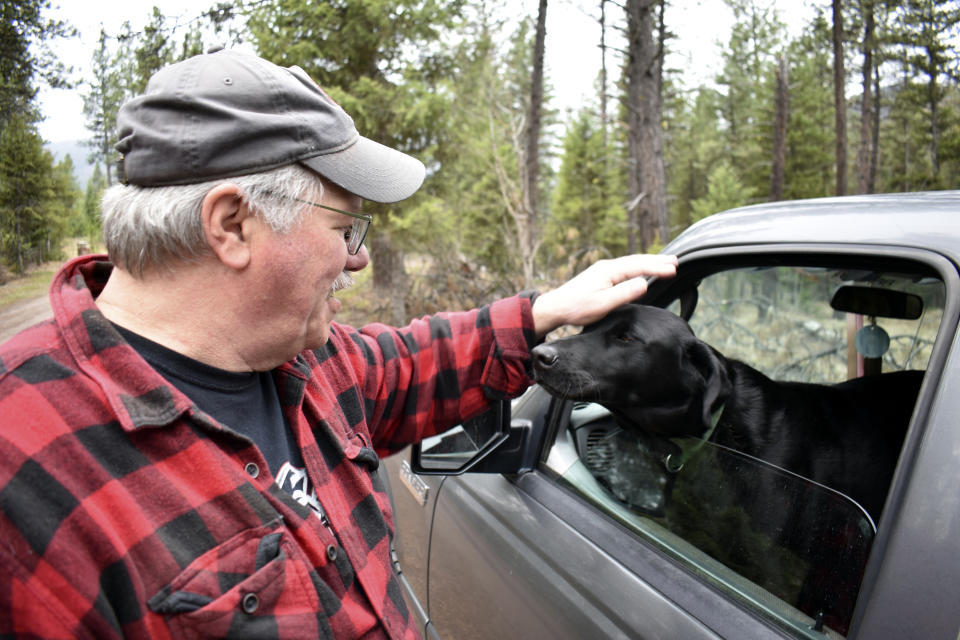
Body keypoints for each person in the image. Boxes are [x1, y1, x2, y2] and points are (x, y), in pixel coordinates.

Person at [0, 49, 677, 639]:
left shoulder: (296, 357)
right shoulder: (26, 470)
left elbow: (415, 362)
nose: (357, 261)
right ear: (233, 224)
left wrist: (546, 311)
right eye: (346, 230)